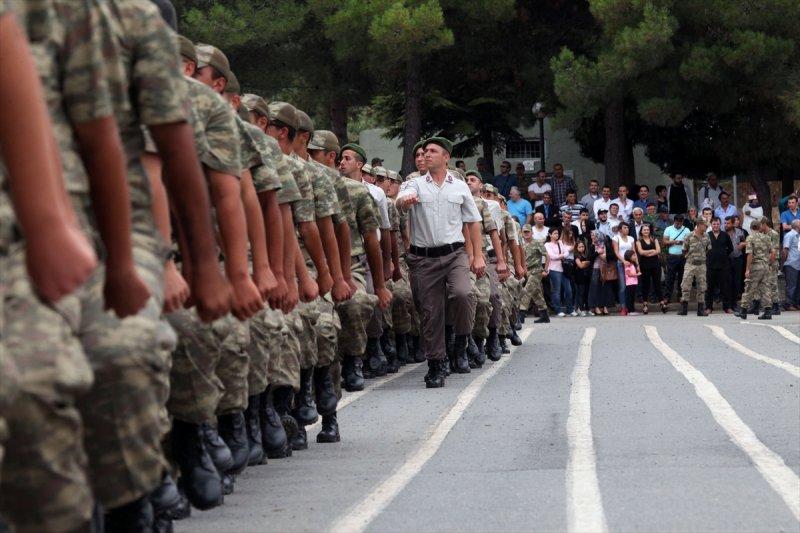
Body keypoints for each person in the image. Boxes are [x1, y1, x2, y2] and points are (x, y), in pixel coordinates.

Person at [396, 137, 483, 389]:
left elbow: (473, 222)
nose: (427, 154)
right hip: (424, 258)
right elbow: (401, 201)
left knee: (463, 294)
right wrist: (404, 201)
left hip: (455, 254)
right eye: (425, 151)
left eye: (433, 151)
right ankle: (436, 364)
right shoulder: (414, 185)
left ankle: (461, 342)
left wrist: (477, 255)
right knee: (430, 312)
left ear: (445, 157)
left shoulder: (459, 186)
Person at [736, 219, 775, 320]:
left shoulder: (750, 238)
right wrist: (769, 263)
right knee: (765, 289)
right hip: (765, 266)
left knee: (749, 287)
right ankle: (768, 311)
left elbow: (750, 254)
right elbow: (773, 252)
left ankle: (743, 310)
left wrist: (747, 269)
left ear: (751, 228)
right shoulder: (767, 237)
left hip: (756, 266)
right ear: (760, 227)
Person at [678, 218, 711, 316]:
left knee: (702, 286)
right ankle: (684, 309)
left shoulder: (707, 236)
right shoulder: (689, 236)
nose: (706, 227)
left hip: (701, 264)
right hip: (690, 264)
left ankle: (700, 310)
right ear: (699, 224)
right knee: (685, 285)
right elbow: (684, 250)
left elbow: (708, 249)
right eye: (705, 225)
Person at [544, 227, 574, 317]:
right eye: (554, 233)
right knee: (556, 290)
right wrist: (562, 255)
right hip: (554, 269)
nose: (556, 235)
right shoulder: (547, 244)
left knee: (568, 290)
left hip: (563, 269)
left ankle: (570, 309)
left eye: (557, 233)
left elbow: (567, 252)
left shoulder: (560, 243)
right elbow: (552, 256)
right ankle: (558, 310)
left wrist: (560, 255)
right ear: (550, 235)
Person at [635, 224, 664, 314]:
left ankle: (662, 303)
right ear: (641, 231)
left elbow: (658, 251)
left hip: (655, 264)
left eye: (647, 230)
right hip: (645, 265)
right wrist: (652, 251)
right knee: (645, 285)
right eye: (644, 230)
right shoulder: (638, 241)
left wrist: (648, 253)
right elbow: (641, 252)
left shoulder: (654, 239)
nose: (646, 231)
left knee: (657, 284)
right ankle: (645, 304)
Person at [588, 230, 615, 315]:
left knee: (606, 288)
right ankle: (595, 307)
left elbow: (612, 255)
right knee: (595, 288)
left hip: (606, 268)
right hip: (595, 268)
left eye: (594, 235)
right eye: (592, 235)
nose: (592, 237)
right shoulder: (592, 245)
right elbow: (589, 258)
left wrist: (605, 256)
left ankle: (605, 306)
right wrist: (597, 253)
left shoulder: (605, 244)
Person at [612, 222, 636, 314]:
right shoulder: (616, 238)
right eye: (625, 227)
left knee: (631, 286)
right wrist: (623, 261)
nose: (627, 229)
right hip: (621, 263)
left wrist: (636, 264)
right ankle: (623, 307)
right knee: (623, 286)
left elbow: (634, 251)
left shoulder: (631, 238)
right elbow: (616, 252)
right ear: (620, 229)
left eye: (627, 227)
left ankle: (630, 307)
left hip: (631, 264)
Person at [726, 215, 748, 309]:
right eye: (725, 223)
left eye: (728, 223)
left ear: (733, 223)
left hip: (738, 259)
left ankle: (734, 303)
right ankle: (728, 303)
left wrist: (742, 244)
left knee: (737, 281)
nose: (726, 225)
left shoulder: (739, 232)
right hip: (727, 260)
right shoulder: (723, 233)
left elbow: (746, 242)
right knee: (728, 282)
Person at [782, 219, 800, 310]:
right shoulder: (789, 235)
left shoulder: (798, 236)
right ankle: (788, 304)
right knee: (791, 285)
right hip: (791, 263)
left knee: (798, 285)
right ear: (797, 226)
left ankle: (796, 303)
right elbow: (785, 250)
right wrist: (784, 262)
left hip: (798, 263)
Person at [574, 241, 593, 316]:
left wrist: (585, 263)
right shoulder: (576, 255)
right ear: (576, 248)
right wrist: (586, 263)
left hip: (587, 275)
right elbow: (580, 266)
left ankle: (587, 308)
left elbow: (588, 262)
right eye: (580, 247)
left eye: (583, 247)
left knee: (587, 293)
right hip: (579, 276)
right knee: (581, 293)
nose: (582, 248)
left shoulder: (586, 255)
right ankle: (581, 309)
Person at [623, 250, 641, 315]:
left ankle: (632, 310)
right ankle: (630, 310)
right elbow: (628, 274)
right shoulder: (628, 265)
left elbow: (638, 270)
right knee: (630, 297)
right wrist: (636, 275)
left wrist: (637, 262)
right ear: (629, 257)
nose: (635, 256)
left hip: (634, 283)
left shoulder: (634, 264)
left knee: (633, 297)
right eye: (633, 255)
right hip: (629, 283)